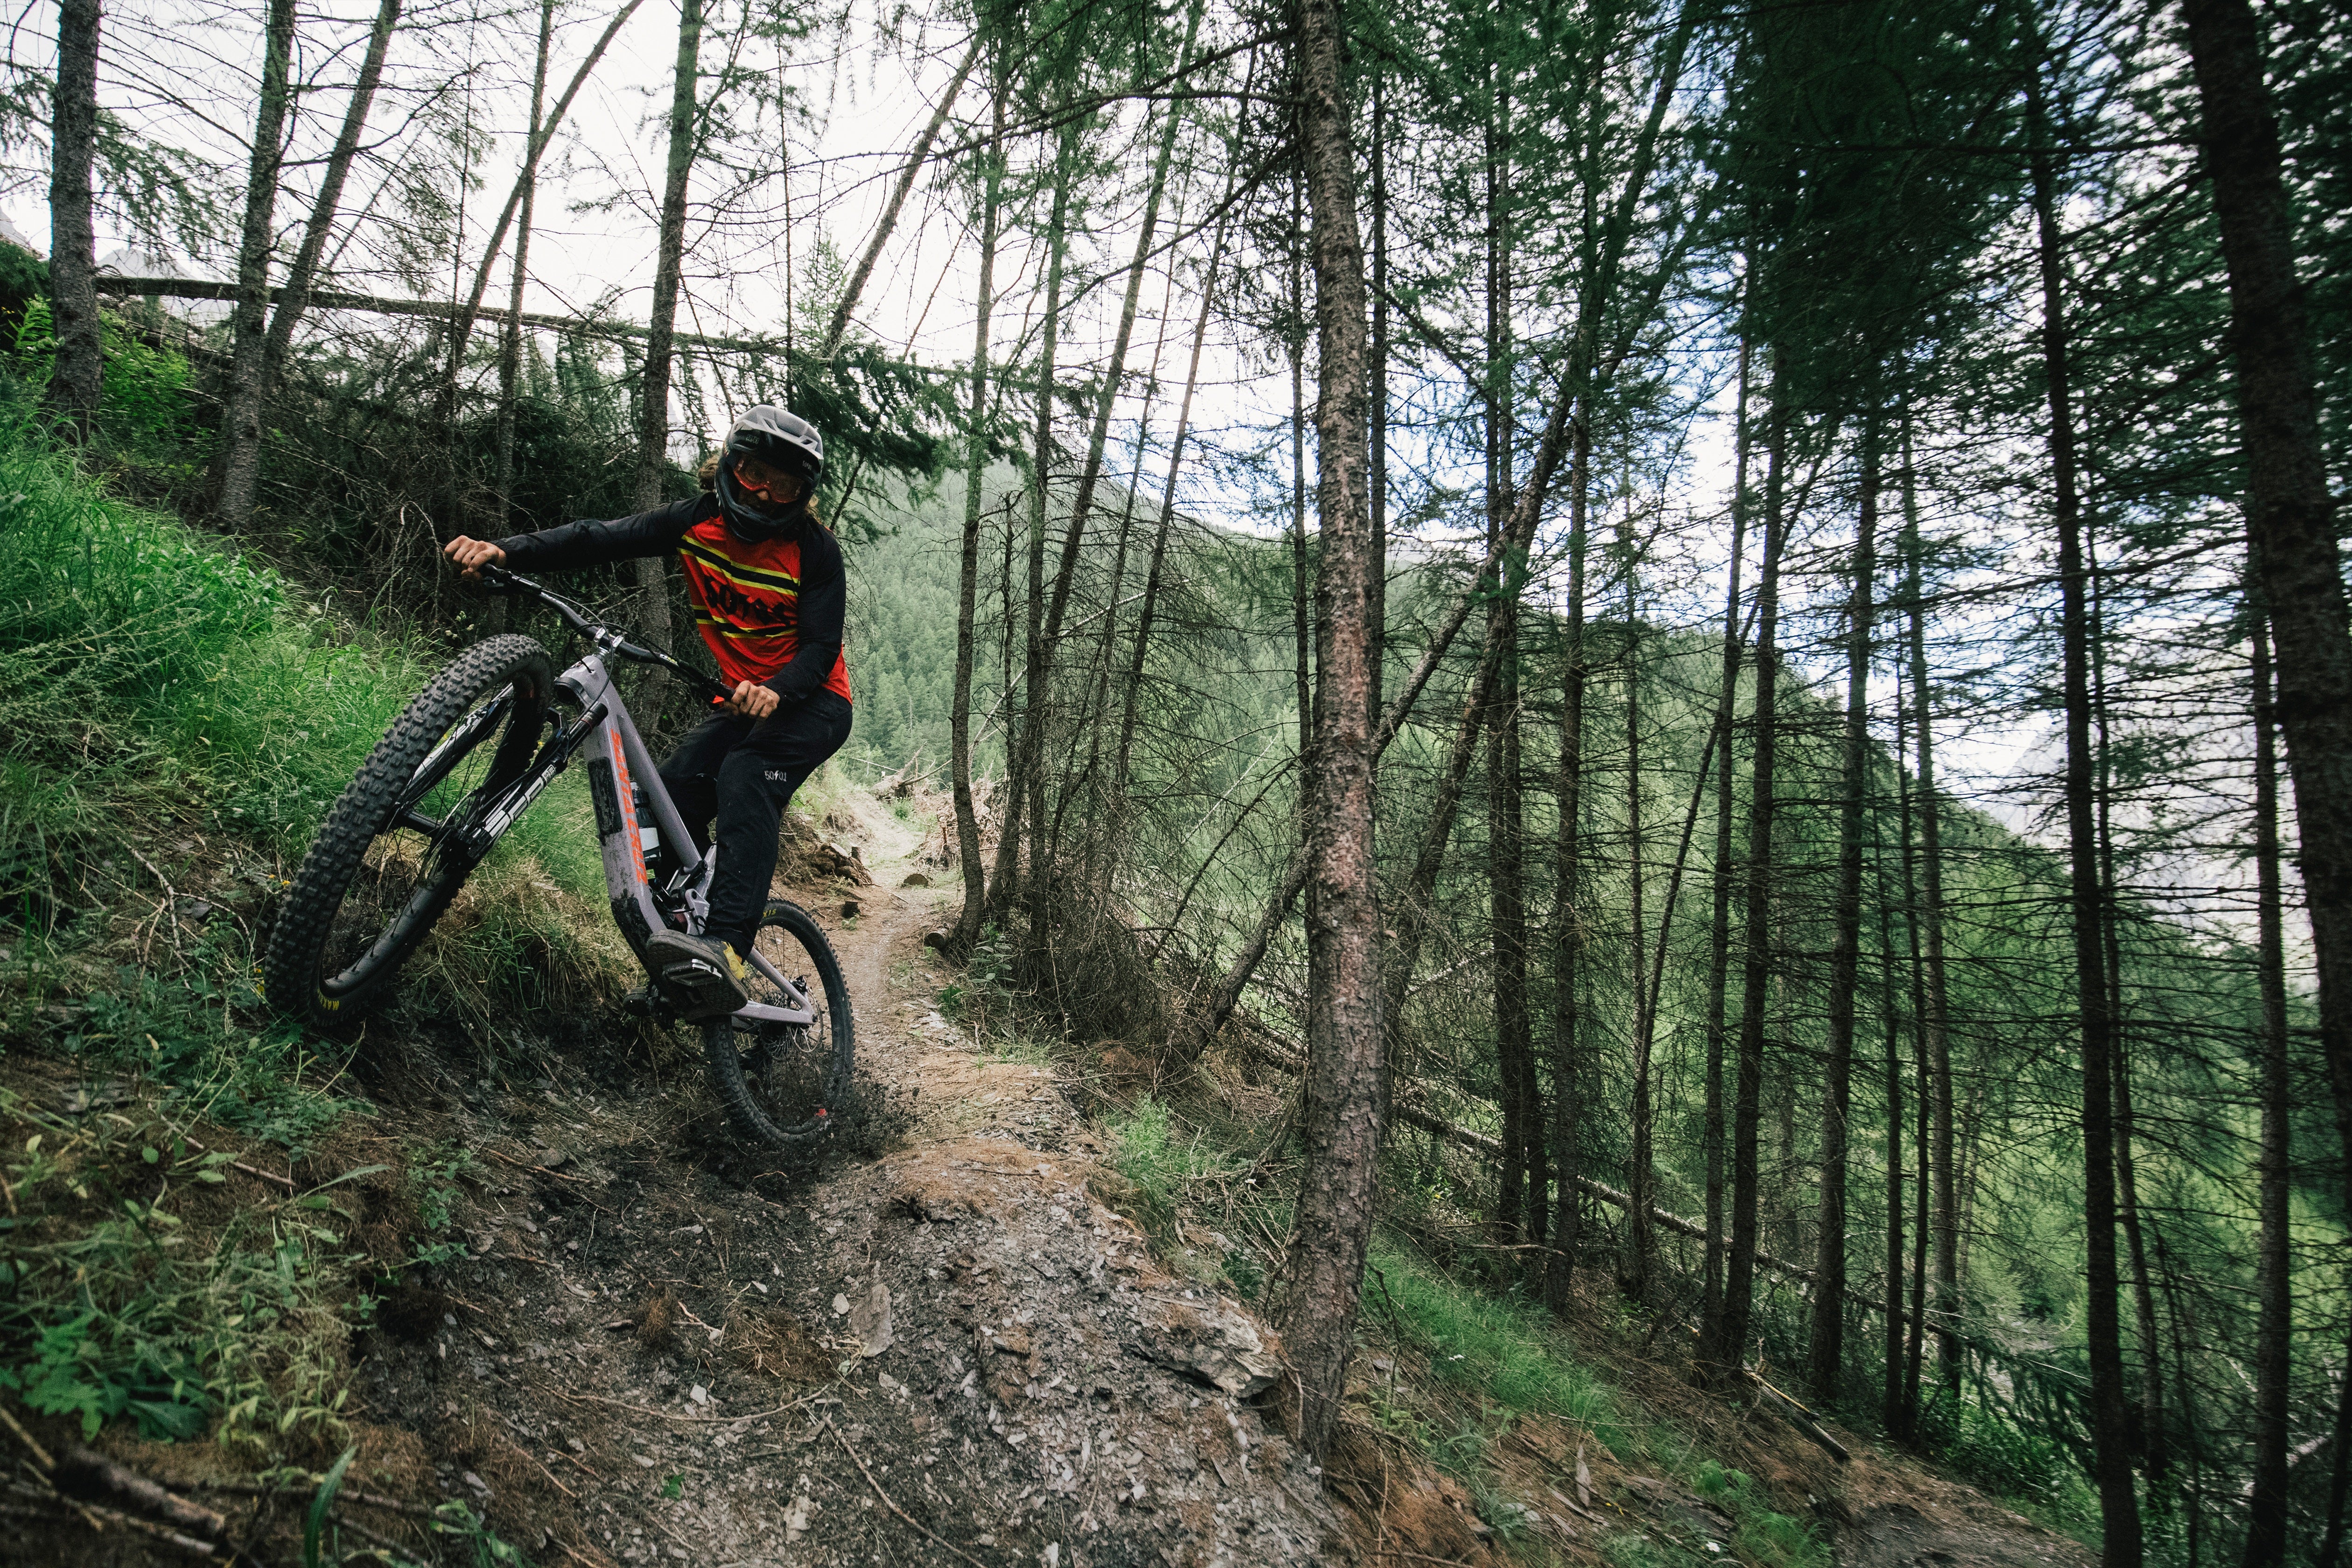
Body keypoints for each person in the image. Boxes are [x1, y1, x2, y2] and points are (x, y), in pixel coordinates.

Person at [443, 405, 852, 1020]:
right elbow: (596, 537)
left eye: (785, 483)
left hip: (812, 704)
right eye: (754, 473)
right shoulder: (695, 522)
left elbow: (822, 647)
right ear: (731, 467)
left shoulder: (814, 553)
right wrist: (506, 552)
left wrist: (777, 689)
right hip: (742, 703)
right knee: (667, 797)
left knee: (745, 777)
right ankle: (679, 960)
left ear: (803, 494)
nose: (765, 492)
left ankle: (728, 948)